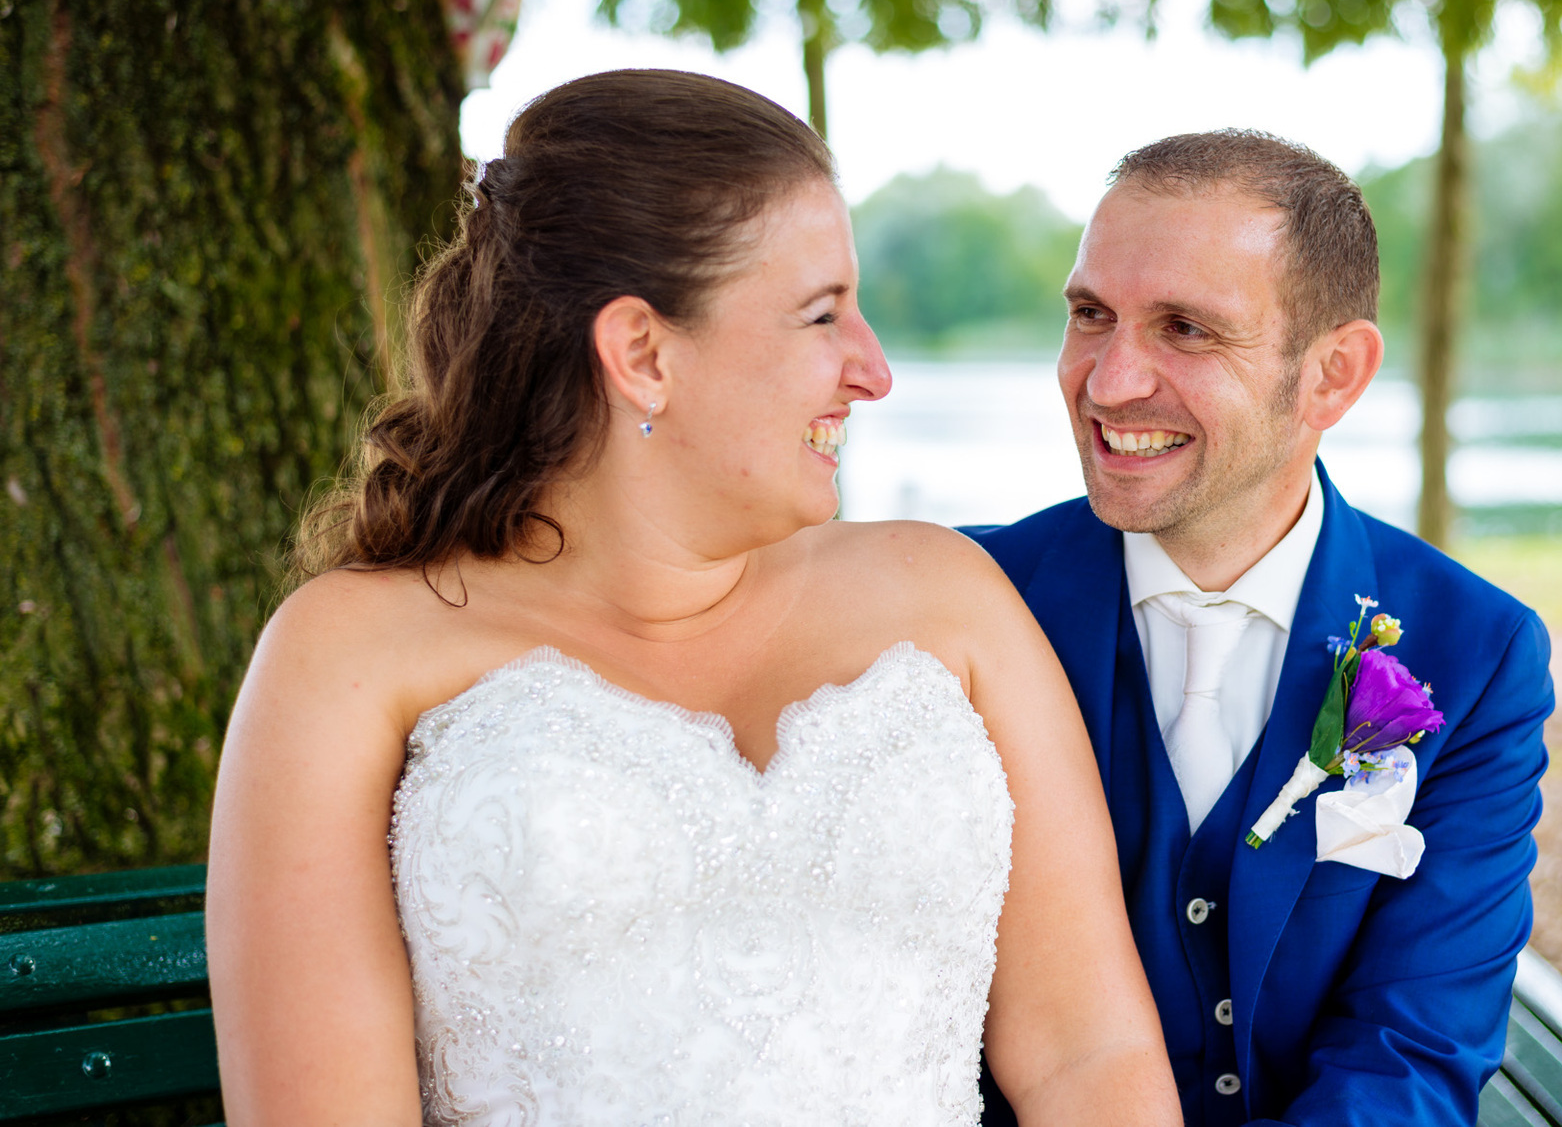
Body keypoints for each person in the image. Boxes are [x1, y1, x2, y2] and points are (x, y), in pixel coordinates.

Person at [204, 70, 1180, 1127]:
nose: (873, 369)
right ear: (642, 353)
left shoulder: (946, 596)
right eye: (820, 315)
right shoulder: (348, 655)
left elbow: (1092, 1055)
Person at [964, 131, 1553, 1126]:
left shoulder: (1476, 653)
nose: (1108, 383)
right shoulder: (970, 601)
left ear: (1332, 375)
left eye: (1186, 329)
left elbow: (1410, 1052)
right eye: (1090, 314)